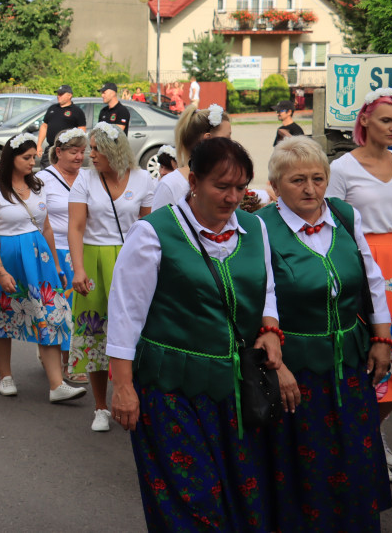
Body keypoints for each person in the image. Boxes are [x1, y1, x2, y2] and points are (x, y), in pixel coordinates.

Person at [107, 137, 282, 530]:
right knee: (190, 499)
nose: (232, 197)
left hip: (237, 389)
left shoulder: (255, 228)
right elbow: (124, 315)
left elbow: (266, 288)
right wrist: (122, 386)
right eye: (222, 186)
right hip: (170, 389)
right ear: (194, 182)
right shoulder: (153, 233)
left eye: (240, 187)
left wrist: (270, 330)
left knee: (242, 494)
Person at [256, 136, 392, 523]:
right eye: (297, 180)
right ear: (276, 184)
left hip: (351, 364)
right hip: (294, 369)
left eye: (318, 178)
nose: (311, 189)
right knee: (304, 462)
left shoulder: (345, 217)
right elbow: (259, 299)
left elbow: (372, 281)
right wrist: (275, 364)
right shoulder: (262, 227)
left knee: (355, 455)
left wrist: (382, 339)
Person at [326, 87, 392, 477]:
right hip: (361, 265)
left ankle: (370, 429)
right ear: (364, 120)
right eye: (386, 120)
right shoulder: (342, 169)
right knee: (368, 357)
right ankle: (363, 440)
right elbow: (331, 227)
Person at [0, 132, 85, 403]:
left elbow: (45, 227)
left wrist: (56, 264)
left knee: (50, 313)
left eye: (34, 156)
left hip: (38, 260)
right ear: (11, 159)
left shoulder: (37, 185)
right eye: (27, 157)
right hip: (2, 260)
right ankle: (5, 376)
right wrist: (0, 271)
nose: (33, 162)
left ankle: (57, 384)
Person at [68, 122, 154, 431]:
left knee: (137, 328)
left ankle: (135, 395)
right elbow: (76, 227)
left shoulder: (144, 179)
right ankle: (101, 407)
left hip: (132, 258)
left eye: (95, 149)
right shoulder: (85, 181)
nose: (89, 155)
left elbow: (149, 228)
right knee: (95, 331)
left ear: (113, 151)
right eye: (89, 148)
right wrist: (78, 268)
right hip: (94, 258)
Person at [39, 127, 88, 380]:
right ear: (58, 152)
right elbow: (38, 218)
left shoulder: (88, 177)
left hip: (80, 249)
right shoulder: (43, 179)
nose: (79, 157)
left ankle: (73, 357)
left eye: (82, 152)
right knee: (57, 307)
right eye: (73, 152)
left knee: (79, 307)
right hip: (54, 250)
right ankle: (62, 358)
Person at [152, 103, 231, 210]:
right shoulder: (170, 185)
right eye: (227, 138)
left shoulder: (228, 177)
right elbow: (158, 225)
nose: (231, 144)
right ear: (208, 139)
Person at [36, 84, 86, 155]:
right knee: (46, 166)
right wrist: (39, 145)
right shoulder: (52, 108)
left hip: (67, 149)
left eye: (61, 94)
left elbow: (81, 130)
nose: (58, 96)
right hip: (51, 148)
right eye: (58, 94)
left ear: (69, 95)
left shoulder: (77, 111)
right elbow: (44, 126)